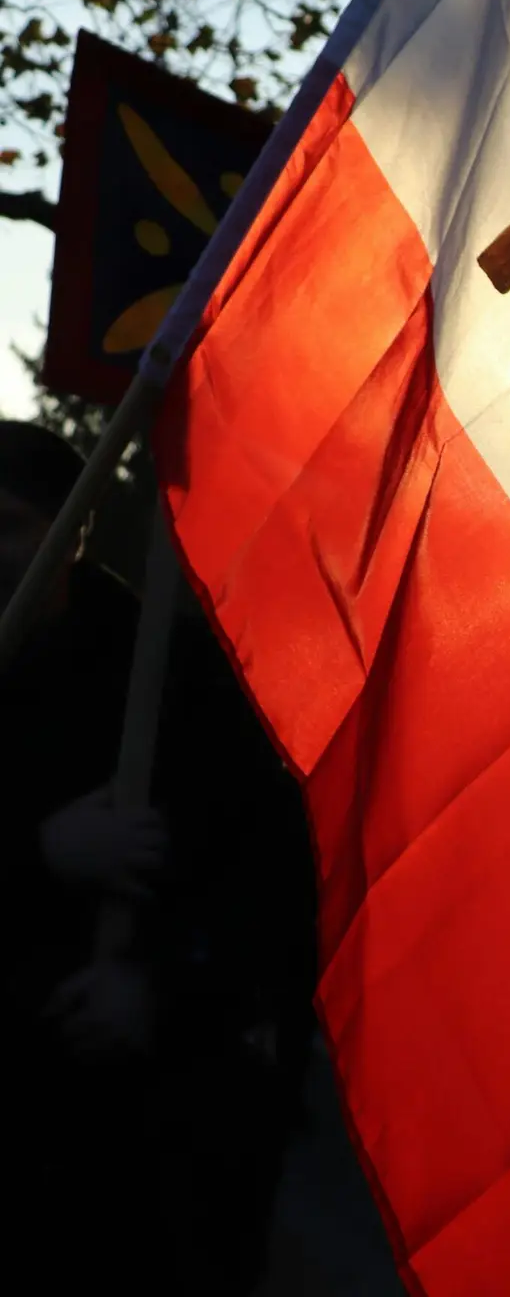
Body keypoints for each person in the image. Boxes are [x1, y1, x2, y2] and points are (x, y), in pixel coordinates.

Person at [0, 420, 316, 1293]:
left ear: (77, 528)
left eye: (11, 525)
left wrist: (162, 992)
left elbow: (269, 890)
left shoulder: (171, 684)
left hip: (144, 1149)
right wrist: (38, 854)